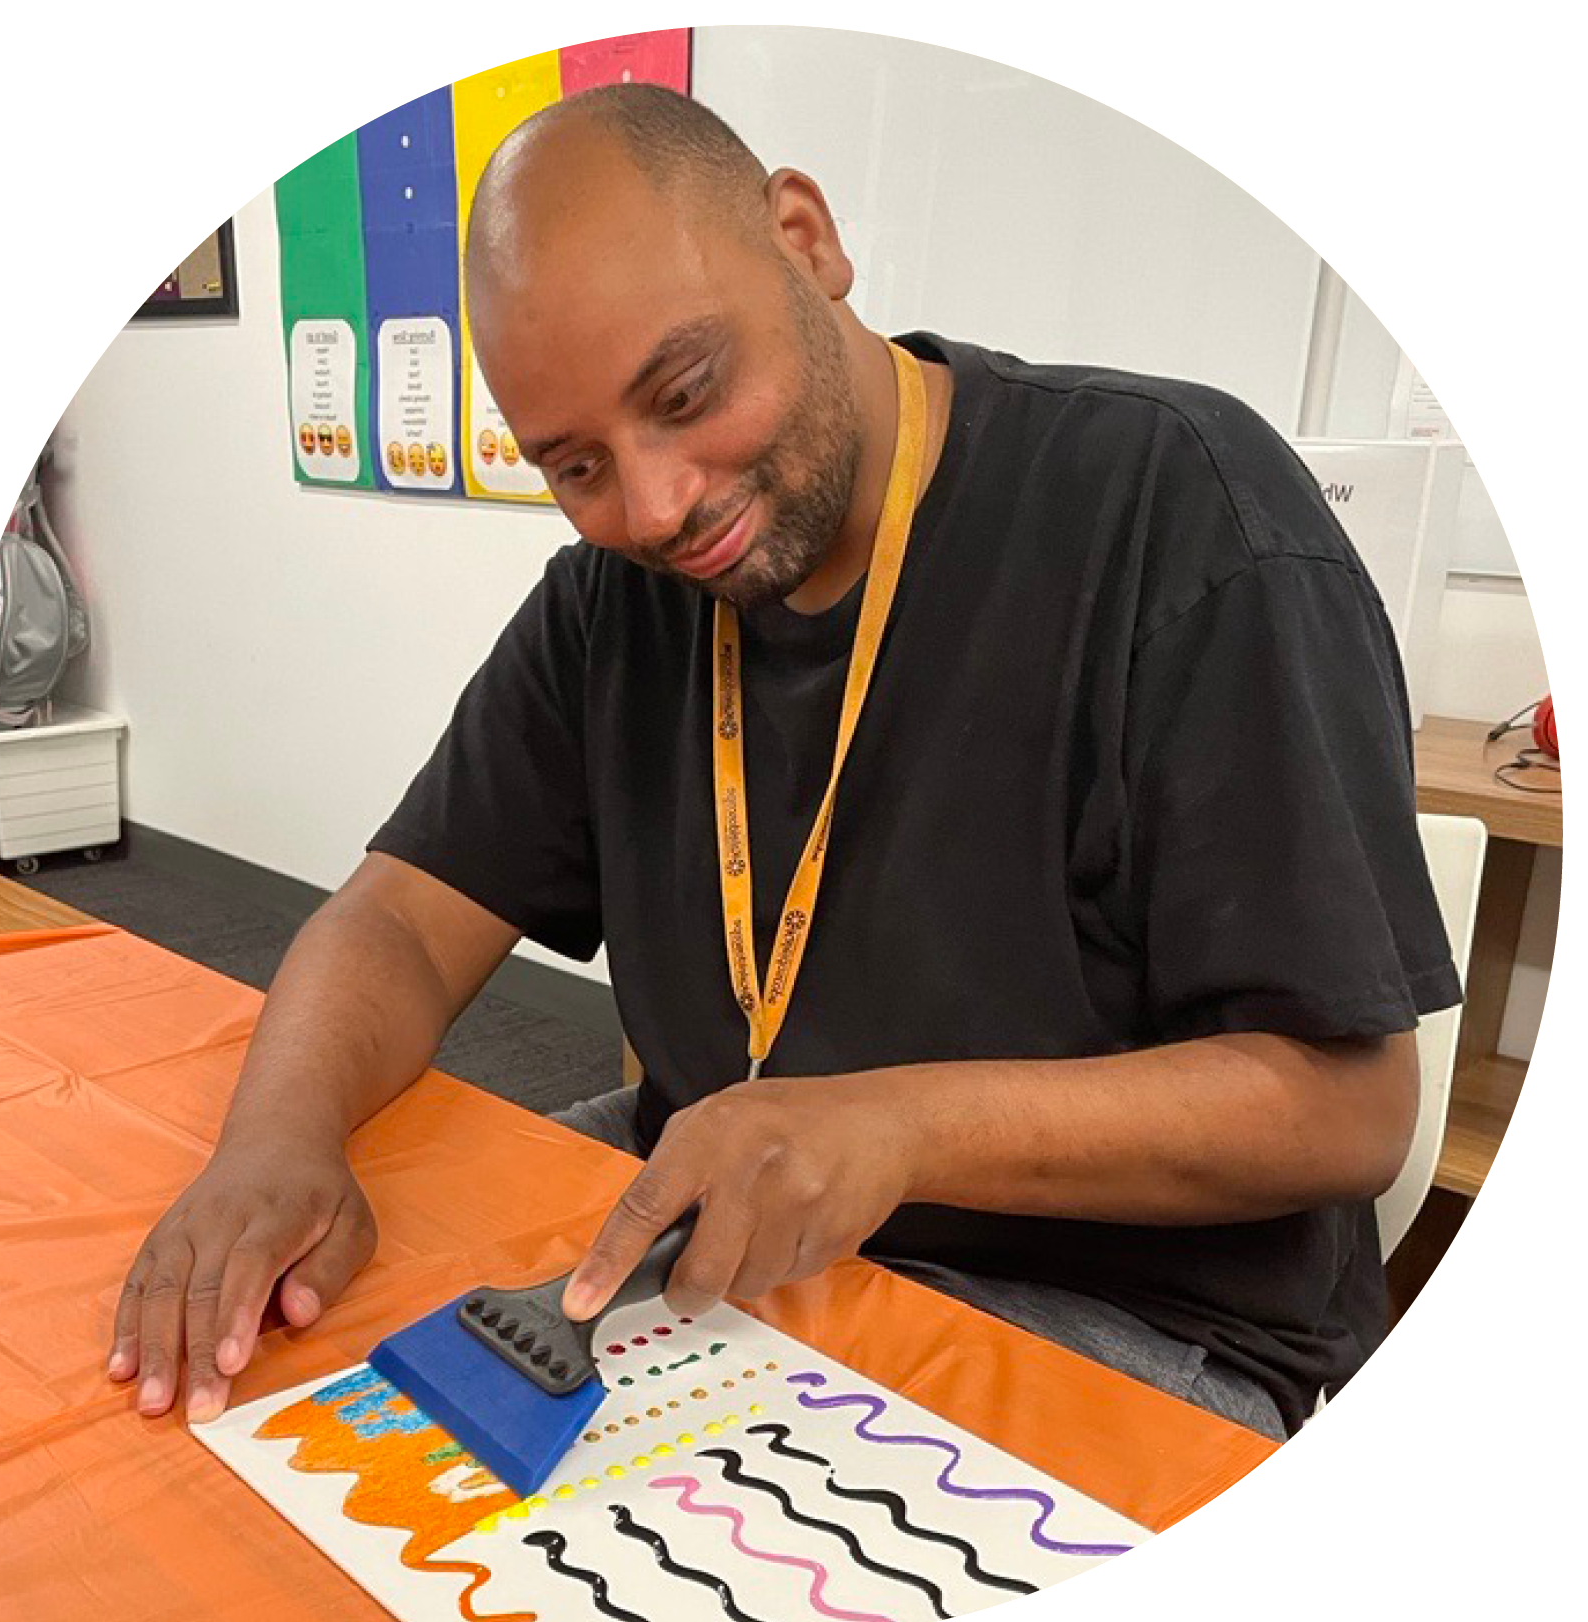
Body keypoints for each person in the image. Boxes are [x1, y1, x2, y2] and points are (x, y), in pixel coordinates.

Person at [108, 84, 1460, 1443]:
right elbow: (401, 916)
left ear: (803, 238)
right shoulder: (610, 604)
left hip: (1121, 1304)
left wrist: (896, 1129)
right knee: (314, 1387)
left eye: (684, 393)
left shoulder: (1177, 512)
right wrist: (273, 1139)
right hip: (718, 1211)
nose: (652, 507)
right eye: (573, 464)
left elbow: (1342, 1108)